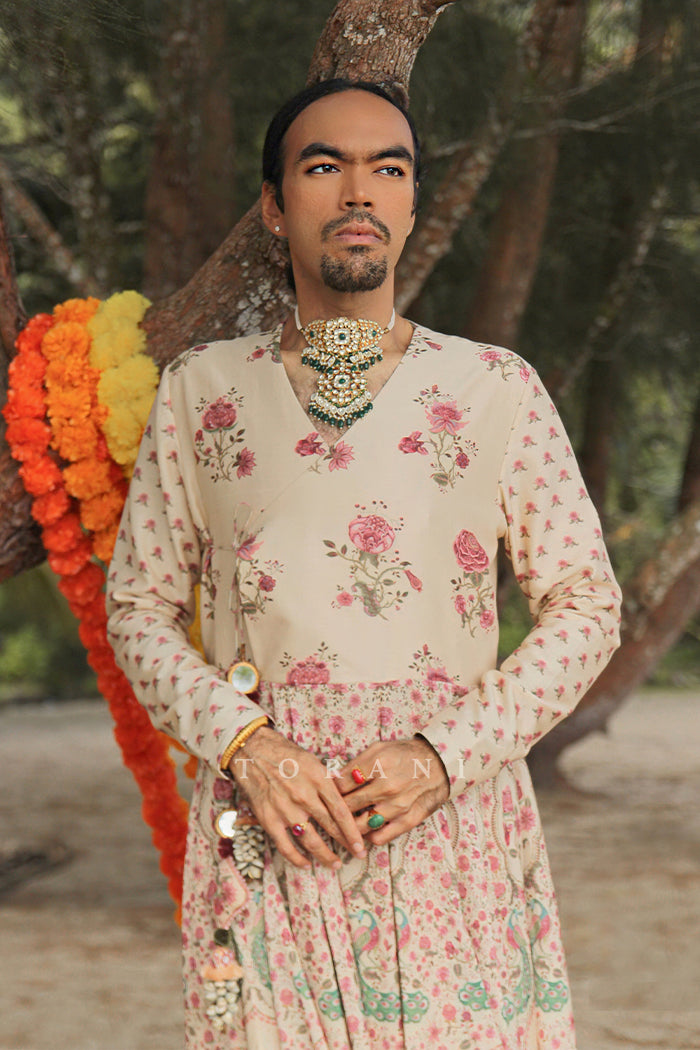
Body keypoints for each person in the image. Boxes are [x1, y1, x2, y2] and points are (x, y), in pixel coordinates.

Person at [106, 79, 621, 1050]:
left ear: (412, 203)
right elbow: (136, 606)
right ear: (273, 204)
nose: (357, 192)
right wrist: (247, 747)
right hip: (271, 826)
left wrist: (444, 756)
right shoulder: (200, 391)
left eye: (388, 168)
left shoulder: (493, 388)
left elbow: (587, 605)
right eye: (323, 166)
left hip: (450, 821)